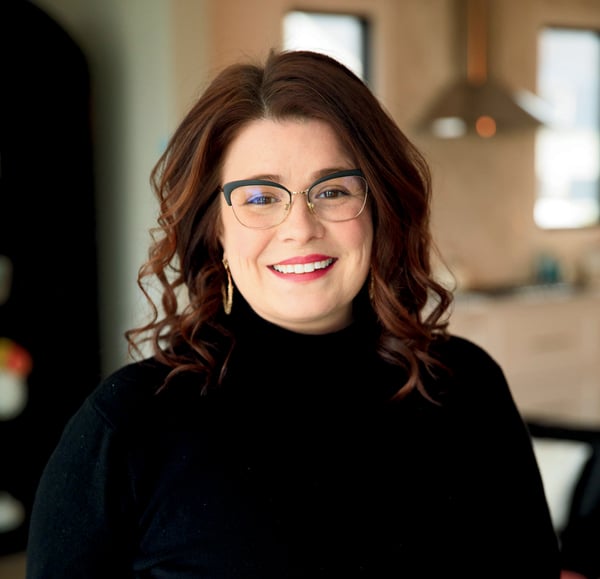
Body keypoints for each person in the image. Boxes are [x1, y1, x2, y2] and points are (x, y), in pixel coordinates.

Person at [25, 49, 561, 578]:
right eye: (260, 198)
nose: (300, 227)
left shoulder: (465, 385)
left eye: (331, 191)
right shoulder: (128, 425)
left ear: (378, 210)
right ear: (215, 227)